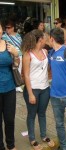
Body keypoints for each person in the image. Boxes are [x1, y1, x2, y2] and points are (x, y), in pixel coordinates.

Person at [22, 29, 54, 150]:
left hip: (45, 87)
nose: (46, 38)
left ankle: (44, 135)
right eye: (44, 37)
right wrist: (30, 94)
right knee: (31, 115)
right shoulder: (27, 55)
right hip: (33, 89)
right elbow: (26, 75)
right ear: (40, 39)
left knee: (42, 113)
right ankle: (32, 138)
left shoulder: (45, 51)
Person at [0, 22, 18, 150]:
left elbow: (16, 65)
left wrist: (16, 55)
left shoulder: (7, 45)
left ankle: (11, 145)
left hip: (10, 88)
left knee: (9, 119)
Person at [2, 19, 23, 92]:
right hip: (10, 55)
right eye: (6, 27)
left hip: (19, 54)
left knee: (19, 70)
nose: (7, 29)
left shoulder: (18, 35)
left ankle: (18, 85)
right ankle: (13, 84)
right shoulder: (4, 37)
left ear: (13, 27)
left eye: (9, 27)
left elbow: (21, 44)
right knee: (12, 69)